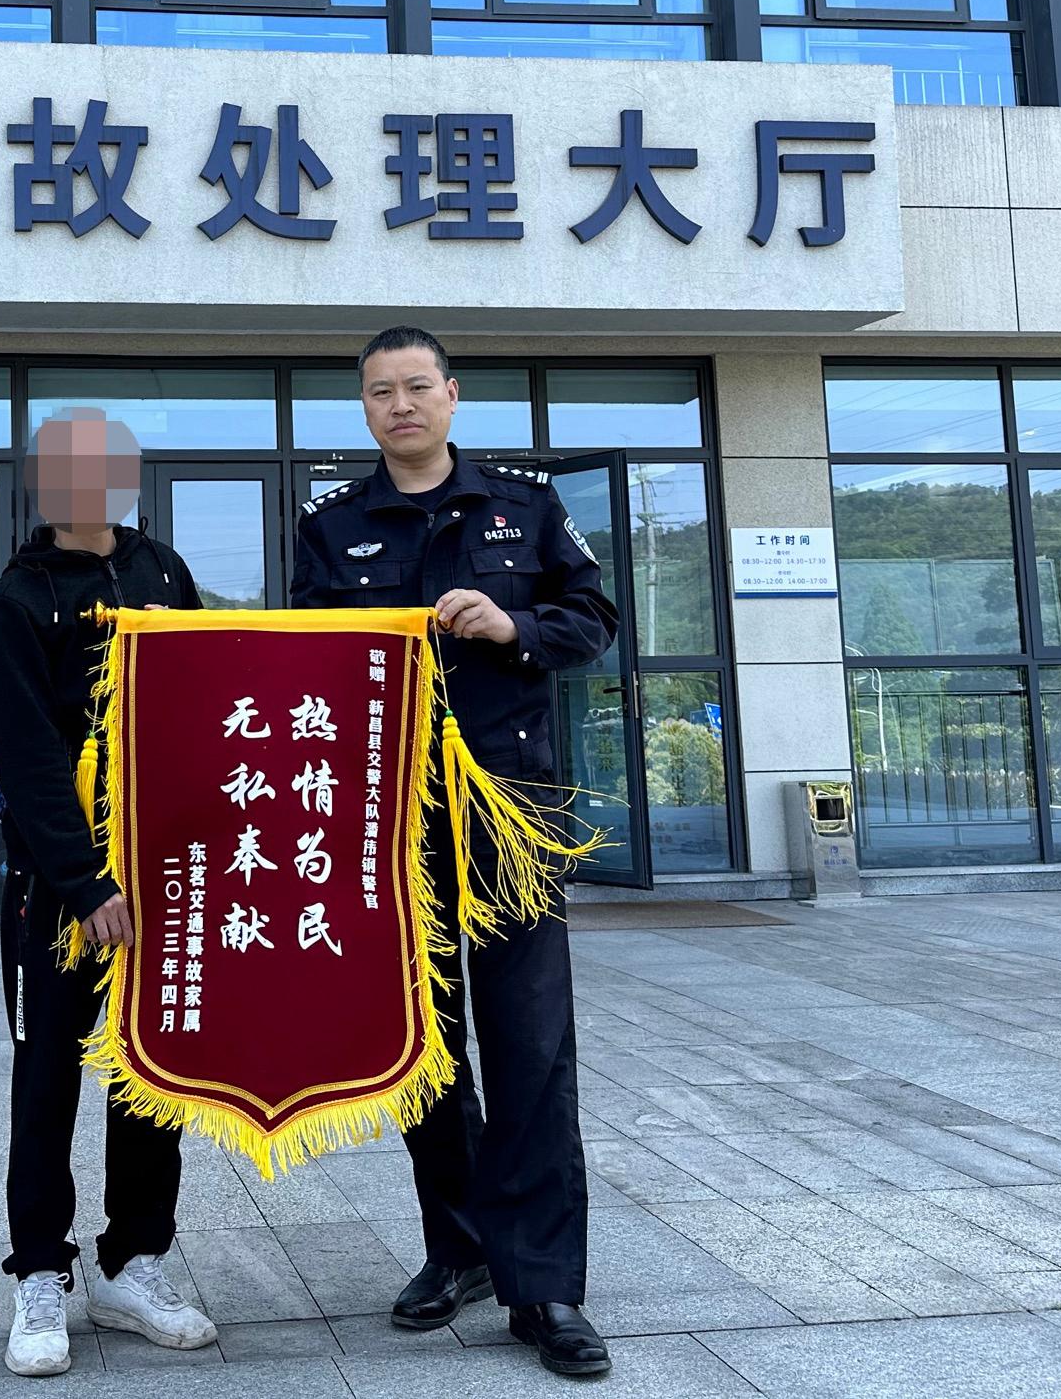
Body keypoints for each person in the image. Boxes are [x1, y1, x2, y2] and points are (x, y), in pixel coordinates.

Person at [289, 327, 619, 1379]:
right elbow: (304, 666)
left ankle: (545, 1287)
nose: (399, 405)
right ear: (364, 408)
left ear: (451, 395)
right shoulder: (331, 526)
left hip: (509, 815)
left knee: (530, 1045)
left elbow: (593, 619)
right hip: (391, 821)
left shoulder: (526, 507)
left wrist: (511, 625)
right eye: (379, 392)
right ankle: (462, 1247)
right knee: (422, 1047)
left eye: (416, 386)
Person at [0, 406, 218, 1378]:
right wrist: (83, 883)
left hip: (163, 876)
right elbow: (27, 756)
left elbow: (210, 696)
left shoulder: (164, 572)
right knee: (46, 1078)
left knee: (150, 1074)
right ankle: (41, 1271)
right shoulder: (19, 596)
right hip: (61, 891)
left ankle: (133, 1264)